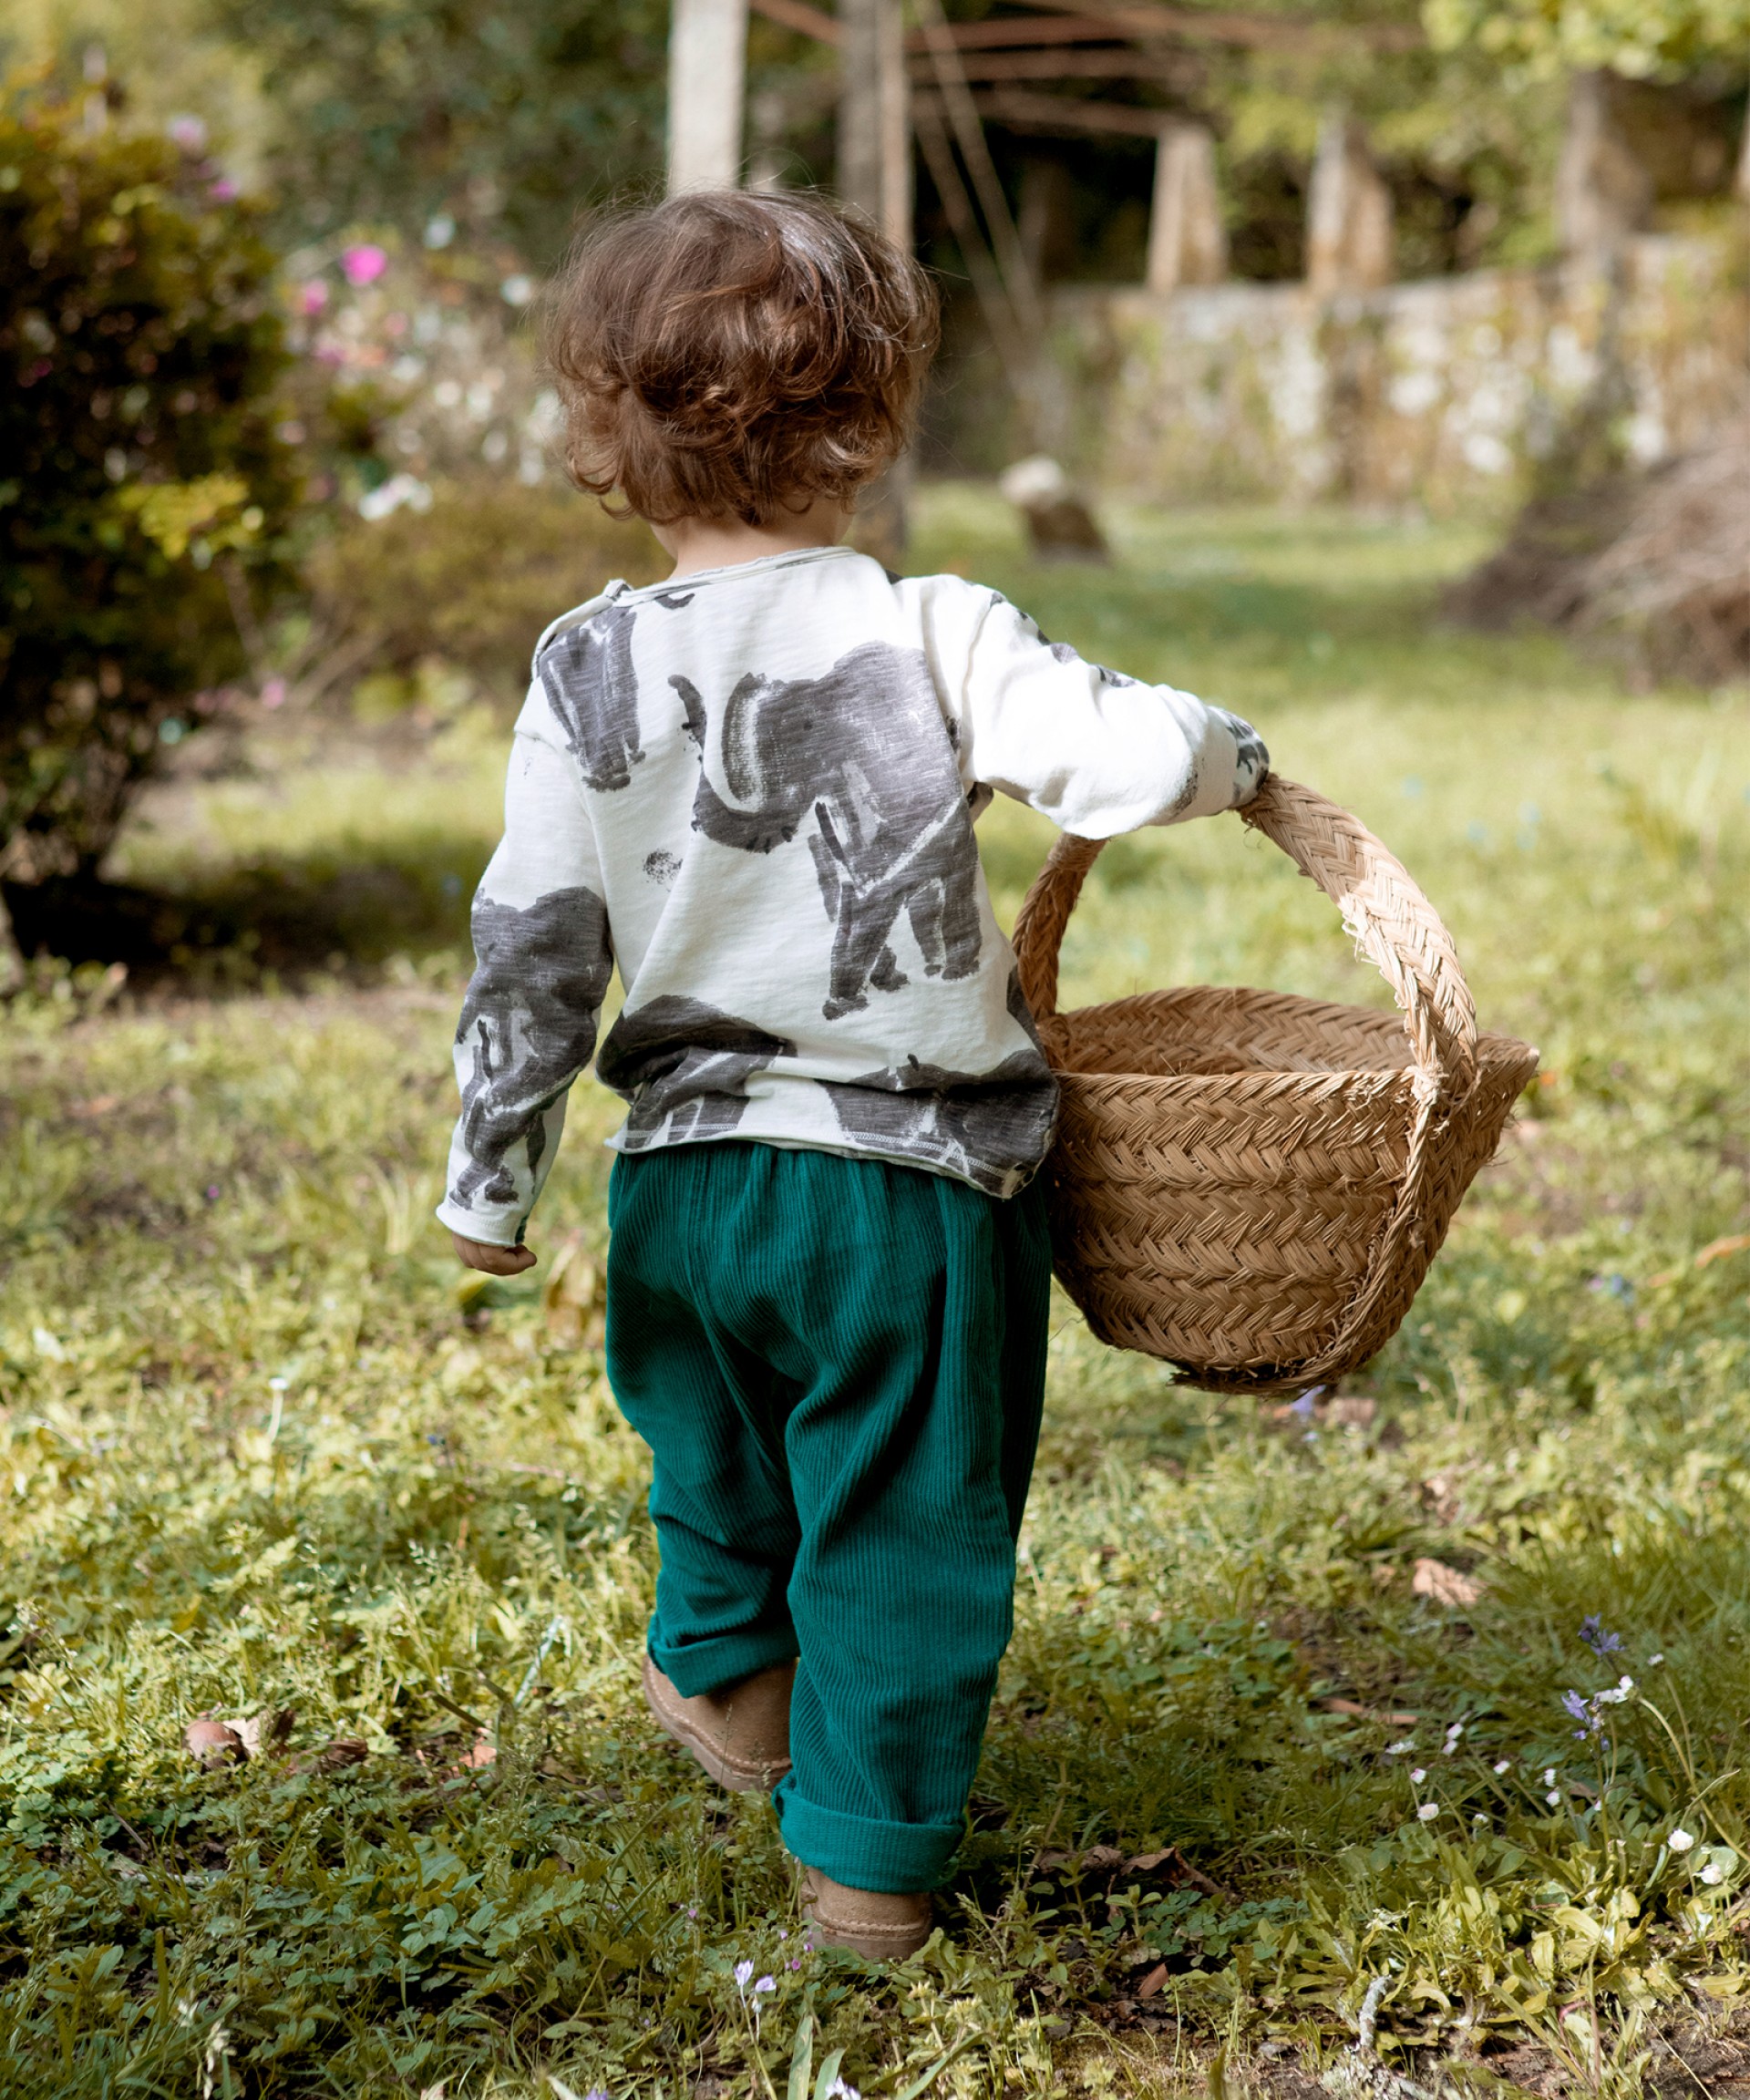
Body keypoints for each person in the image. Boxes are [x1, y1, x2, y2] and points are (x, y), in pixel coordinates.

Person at [438, 189, 1269, 1961]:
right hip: (910, 1191)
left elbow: (533, 942)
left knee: (716, 1461)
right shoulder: (932, 627)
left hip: (681, 1186)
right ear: (871, 427)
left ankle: (728, 1684)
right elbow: (1118, 766)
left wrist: (485, 1182)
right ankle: (870, 1888)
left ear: (605, 428)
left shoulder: (580, 668)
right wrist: (1230, 749)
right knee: (903, 1522)